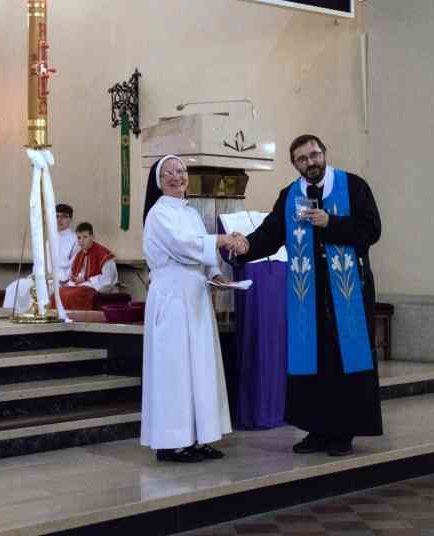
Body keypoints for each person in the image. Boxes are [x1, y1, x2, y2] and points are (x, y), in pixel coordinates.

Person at [230, 134, 383, 456]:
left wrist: (331, 222)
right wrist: (245, 246)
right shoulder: (290, 195)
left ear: (324, 153)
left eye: (314, 155)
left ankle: (343, 432)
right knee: (313, 360)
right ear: (295, 164)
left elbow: (372, 229)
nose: (310, 162)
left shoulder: (353, 186)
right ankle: (316, 430)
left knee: (345, 360)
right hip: (306, 294)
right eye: (302, 159)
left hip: (348, 292)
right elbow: (270, 234)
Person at [141, 154, 238, 463]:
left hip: (195, 298)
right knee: (175, 370)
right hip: (172, 298)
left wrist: (216, 274)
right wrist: (223, 239)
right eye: (169, 173)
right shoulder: (158, 214)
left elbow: (202, 254)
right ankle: (172, 443)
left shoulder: (191, 212)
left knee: (201, 367)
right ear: (158, 181)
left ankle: (198, 436)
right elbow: (184, 246)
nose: (177, 177)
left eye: (181, 171)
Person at [4, 203, 78, 312]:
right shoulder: (50, 239)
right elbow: (41, 261)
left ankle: (34, 315)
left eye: (64, 216)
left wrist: (58, 277)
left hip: (58, 282)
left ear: (70, 219)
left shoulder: (75, 240)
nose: (59, 220)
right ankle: (12, 314)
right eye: (57, 216)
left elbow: (74, 266)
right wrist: (37, 274)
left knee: (39, 291)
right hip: (42, 278)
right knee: (16, 286)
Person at [58, 222, 118, 310]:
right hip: (80, 286)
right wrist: (73, 279)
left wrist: (86, 279)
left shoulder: (103, 255)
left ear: (92, 237)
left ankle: (73, 318)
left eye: (85, 237)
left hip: (95, 288)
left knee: (72, 296)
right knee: (59, 293)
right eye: (79, 238)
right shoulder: (79, 254)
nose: (81, 241)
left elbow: (108, 280)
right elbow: (75, 274)